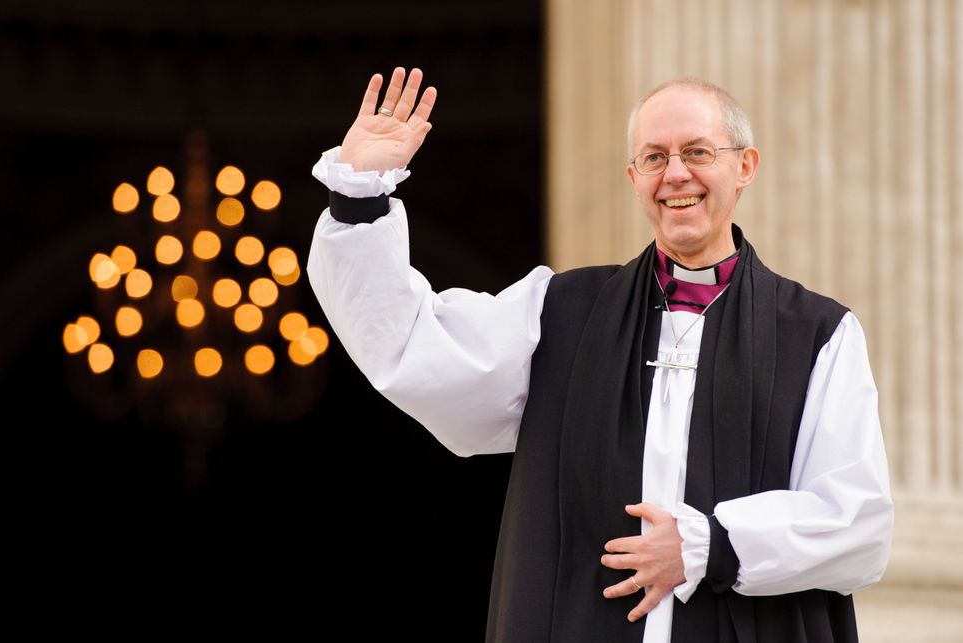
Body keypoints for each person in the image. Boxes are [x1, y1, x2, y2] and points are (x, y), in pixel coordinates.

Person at [307, 67, 893, 642]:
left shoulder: (818, 333)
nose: (676, 174)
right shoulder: (561, 311)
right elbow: (415, 347)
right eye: (655, 158)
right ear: (634, 177)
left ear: (745, 167)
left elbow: (857, 521)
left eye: (697, 152)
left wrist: (710, 545)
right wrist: (359, 193)